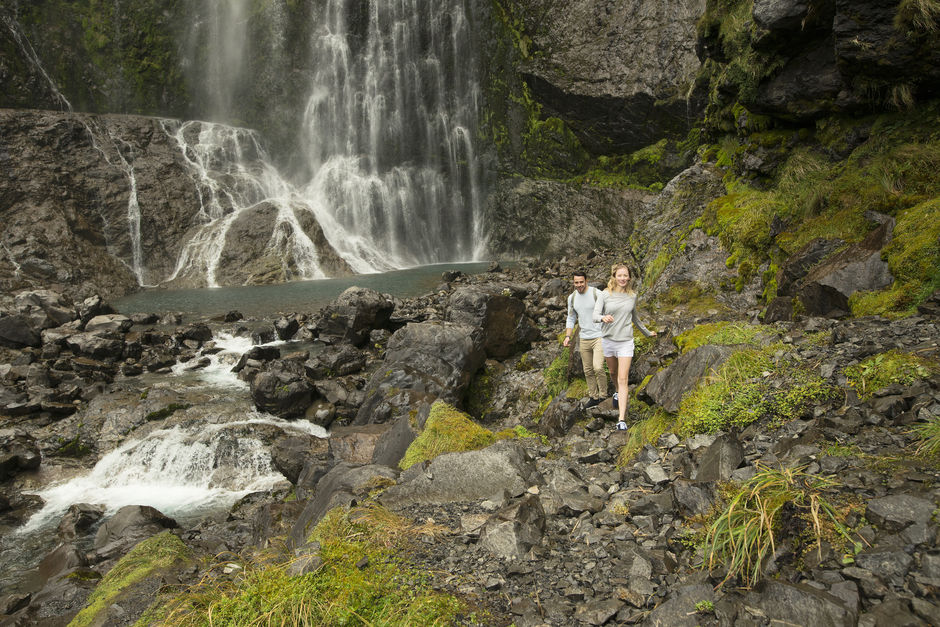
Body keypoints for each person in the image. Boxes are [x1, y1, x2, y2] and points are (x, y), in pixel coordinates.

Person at [593, 263, 657, 430]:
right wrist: (602, 318)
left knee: (623, 379)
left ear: (629, 277)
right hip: (608, 340)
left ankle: (621, 420)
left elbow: (635, 317)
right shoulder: (605, 294)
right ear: (614, 277)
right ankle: (616, 391)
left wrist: (647, 333)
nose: (622, 278)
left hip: (626, 342)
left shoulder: (632, 296)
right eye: (619, 275)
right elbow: (594, 315)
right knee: (613, 373)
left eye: (625, 276)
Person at [563, 270, 606, 407]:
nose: (579, 285)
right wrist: (568, 336)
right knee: (587, 370)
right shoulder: (572, 298)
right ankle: (594, 397)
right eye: (576, 282)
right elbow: (571, 318)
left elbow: (608, 311)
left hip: (599, 336)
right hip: (584, 338)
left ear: (586, 281)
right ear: (573, 283)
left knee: (598, 367)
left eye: (581, 282)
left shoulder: (596, 294)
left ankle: (604, 396)